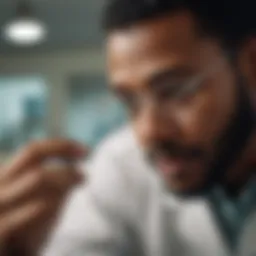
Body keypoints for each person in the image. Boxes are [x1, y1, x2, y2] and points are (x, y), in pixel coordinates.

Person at [0, 0, 255, 255]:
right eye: (130, 102)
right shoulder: (120, 166)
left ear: (251, 63)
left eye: (176, 92)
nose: (147, 133)